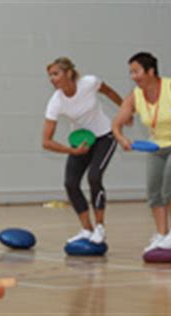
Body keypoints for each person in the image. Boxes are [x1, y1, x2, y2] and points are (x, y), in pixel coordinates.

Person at [112, 52, 171, 252]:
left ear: (150, 71)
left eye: (136, 71)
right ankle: (162, 234)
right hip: (157, 146)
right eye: (131, 72)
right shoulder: (136, 95)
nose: (133, 76)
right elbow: (117, 123)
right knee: (154, 191)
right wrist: (121, 138)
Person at [42, 57, 123, 245]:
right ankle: (87, 229)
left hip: (105, 136)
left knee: (94, 177)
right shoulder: (56, 102)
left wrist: (124, 112)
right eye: (50, 76)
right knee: (70, 183)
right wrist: (72, 150)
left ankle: (100, 227)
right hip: (82, 142)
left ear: (69, 73)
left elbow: (109, 92)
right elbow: (46, 141)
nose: (52, 79)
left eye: (56, 74)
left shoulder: (89, 83)